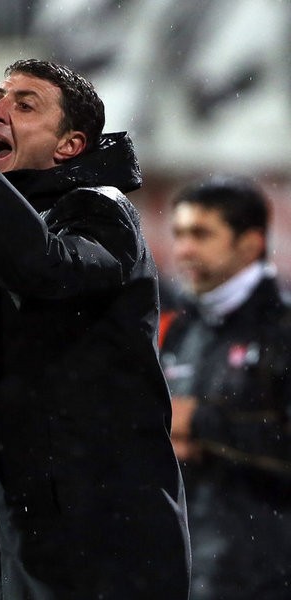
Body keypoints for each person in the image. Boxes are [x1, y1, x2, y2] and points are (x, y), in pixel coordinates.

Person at [0, 52, 190, 600]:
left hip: (110, 528)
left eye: (26, 105)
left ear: (70, 145)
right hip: (23, 520)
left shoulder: (101, 210)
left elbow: (47, 271)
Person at [160, 175, 291, 599]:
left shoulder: (282, 330)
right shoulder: (181, 329)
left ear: (250, 243)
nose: (183, 249)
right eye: (179, 234)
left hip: (270, 577)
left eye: (201, 234)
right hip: (191, 572)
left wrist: (200, 423)